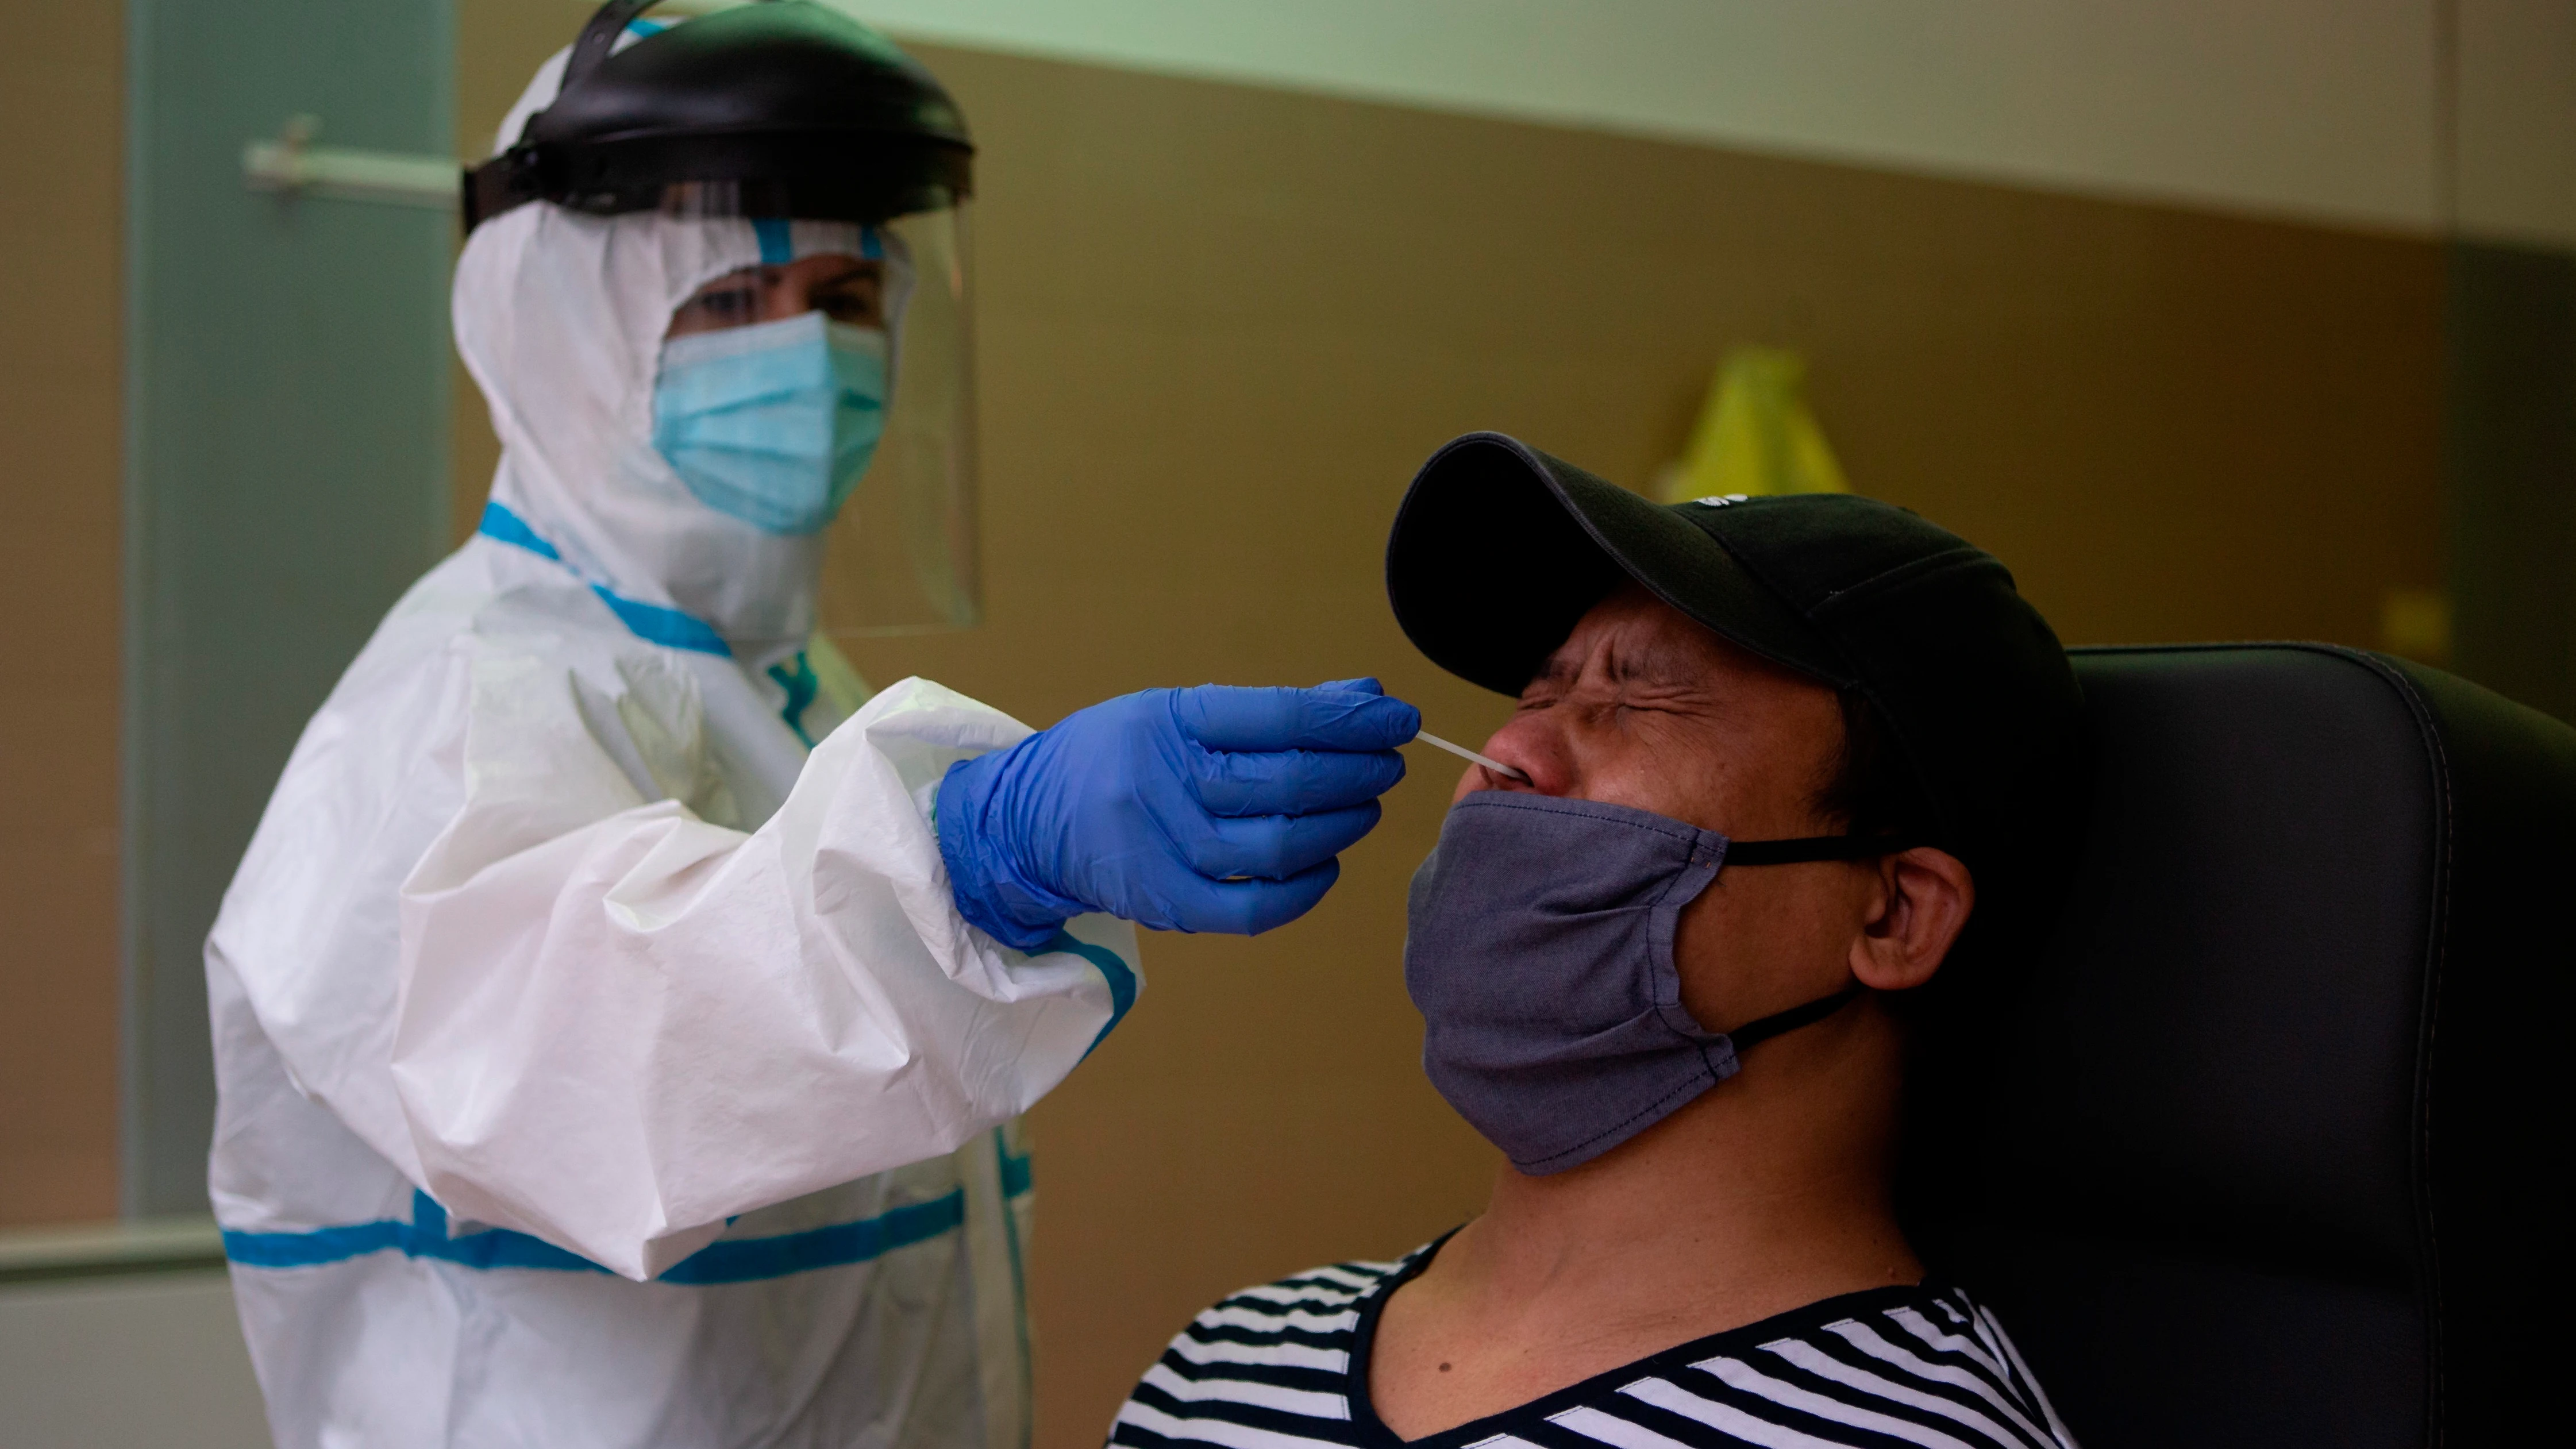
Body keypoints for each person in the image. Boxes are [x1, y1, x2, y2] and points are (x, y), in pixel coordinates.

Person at [205, 5, 1416, 1447]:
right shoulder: (460, 702)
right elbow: (579, 1058)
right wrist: (961, 857)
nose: (808, 359)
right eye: (723, 304)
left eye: (846, 296)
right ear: (564, 332)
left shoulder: (786, 689)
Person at [1110, 432, 2086, 1449]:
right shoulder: (1220, 1363)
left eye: (1638, 700)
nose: (1506, 749)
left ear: (1894, 913)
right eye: (1539, 690)